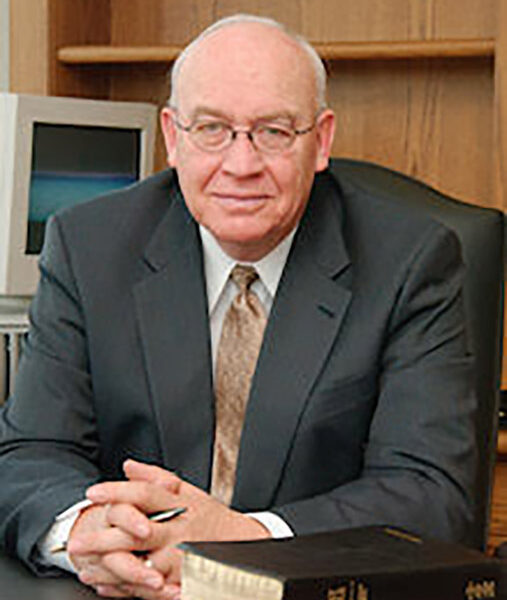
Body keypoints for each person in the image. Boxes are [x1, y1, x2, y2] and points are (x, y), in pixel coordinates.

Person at [0, 13, 476, 600]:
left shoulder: (409, 262)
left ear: (321, 140)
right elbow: (30, 452)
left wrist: (243, 539)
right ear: (173, 137)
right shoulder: (89, 247)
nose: (241, 165)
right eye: (212, 129)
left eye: (273, 131)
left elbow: (431, 494)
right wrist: (88, 532)